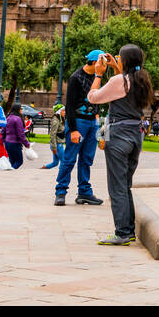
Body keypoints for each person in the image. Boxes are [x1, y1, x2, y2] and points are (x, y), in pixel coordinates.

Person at [87, 44, 153, 246]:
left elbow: (93, 97)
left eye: (119, 57)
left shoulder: (120, 80)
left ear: (125, 60)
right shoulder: (142, 80)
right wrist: (117, 69)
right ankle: (128, 230)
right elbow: (123, 87)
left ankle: (122, 232)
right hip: (135, 136)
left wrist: (98, 75)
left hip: (119, 136)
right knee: (125, 185)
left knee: (117, 187)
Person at [55, 50, 108, 207]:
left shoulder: (97, 77)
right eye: (101, 63)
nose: (103, 67)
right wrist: (72, 129)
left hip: (92, 123)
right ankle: (60, 191)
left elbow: (98, 102)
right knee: (69, 159)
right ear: (93, 62)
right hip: (78, 122)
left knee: (87, 159)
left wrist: (99, 130)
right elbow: (69, 106)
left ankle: (84, 192)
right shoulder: (76, 78)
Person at [1, 102, 31, 169]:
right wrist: (26, 144)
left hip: (7, 142)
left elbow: (3, 131)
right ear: (18, 109)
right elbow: (20, 134)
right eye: (21, 109)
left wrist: (3, 140)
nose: (22, 110)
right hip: (15, 143)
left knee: (12, 161)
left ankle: (9, 174)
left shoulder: (8, 118)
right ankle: (10, 172)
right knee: (19, 161)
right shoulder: (17, 119)